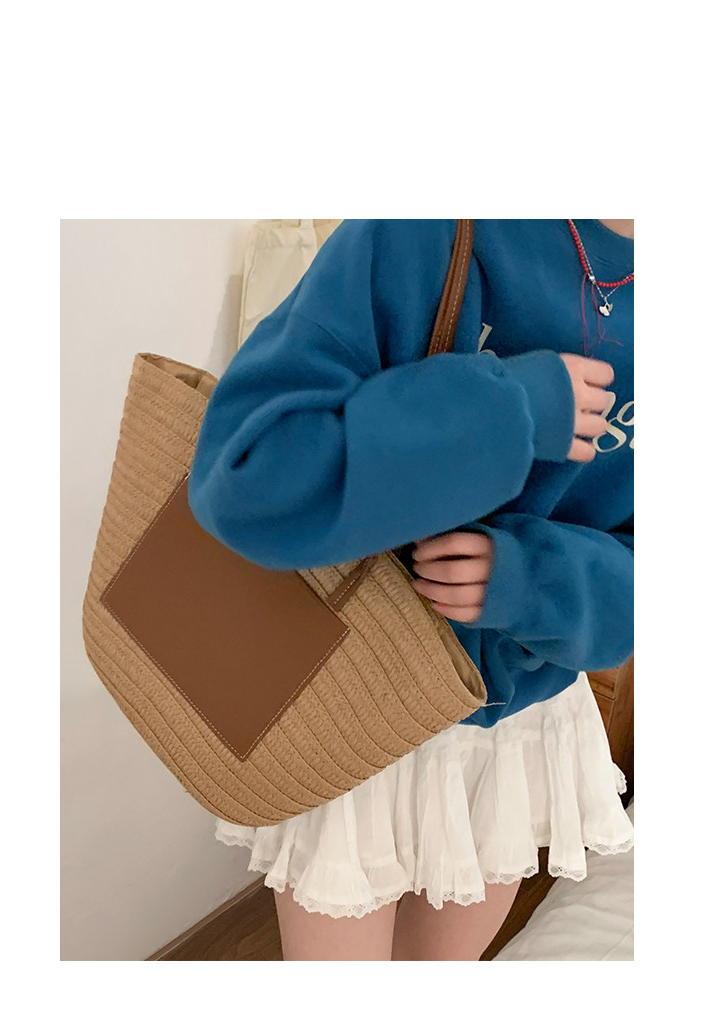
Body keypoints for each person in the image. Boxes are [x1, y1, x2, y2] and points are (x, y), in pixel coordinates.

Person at [187, 218, 635, 961]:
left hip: (518, 723)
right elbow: (249, 476)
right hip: (362, 698)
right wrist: (511, 410)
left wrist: (537, 579)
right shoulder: (431, 221)